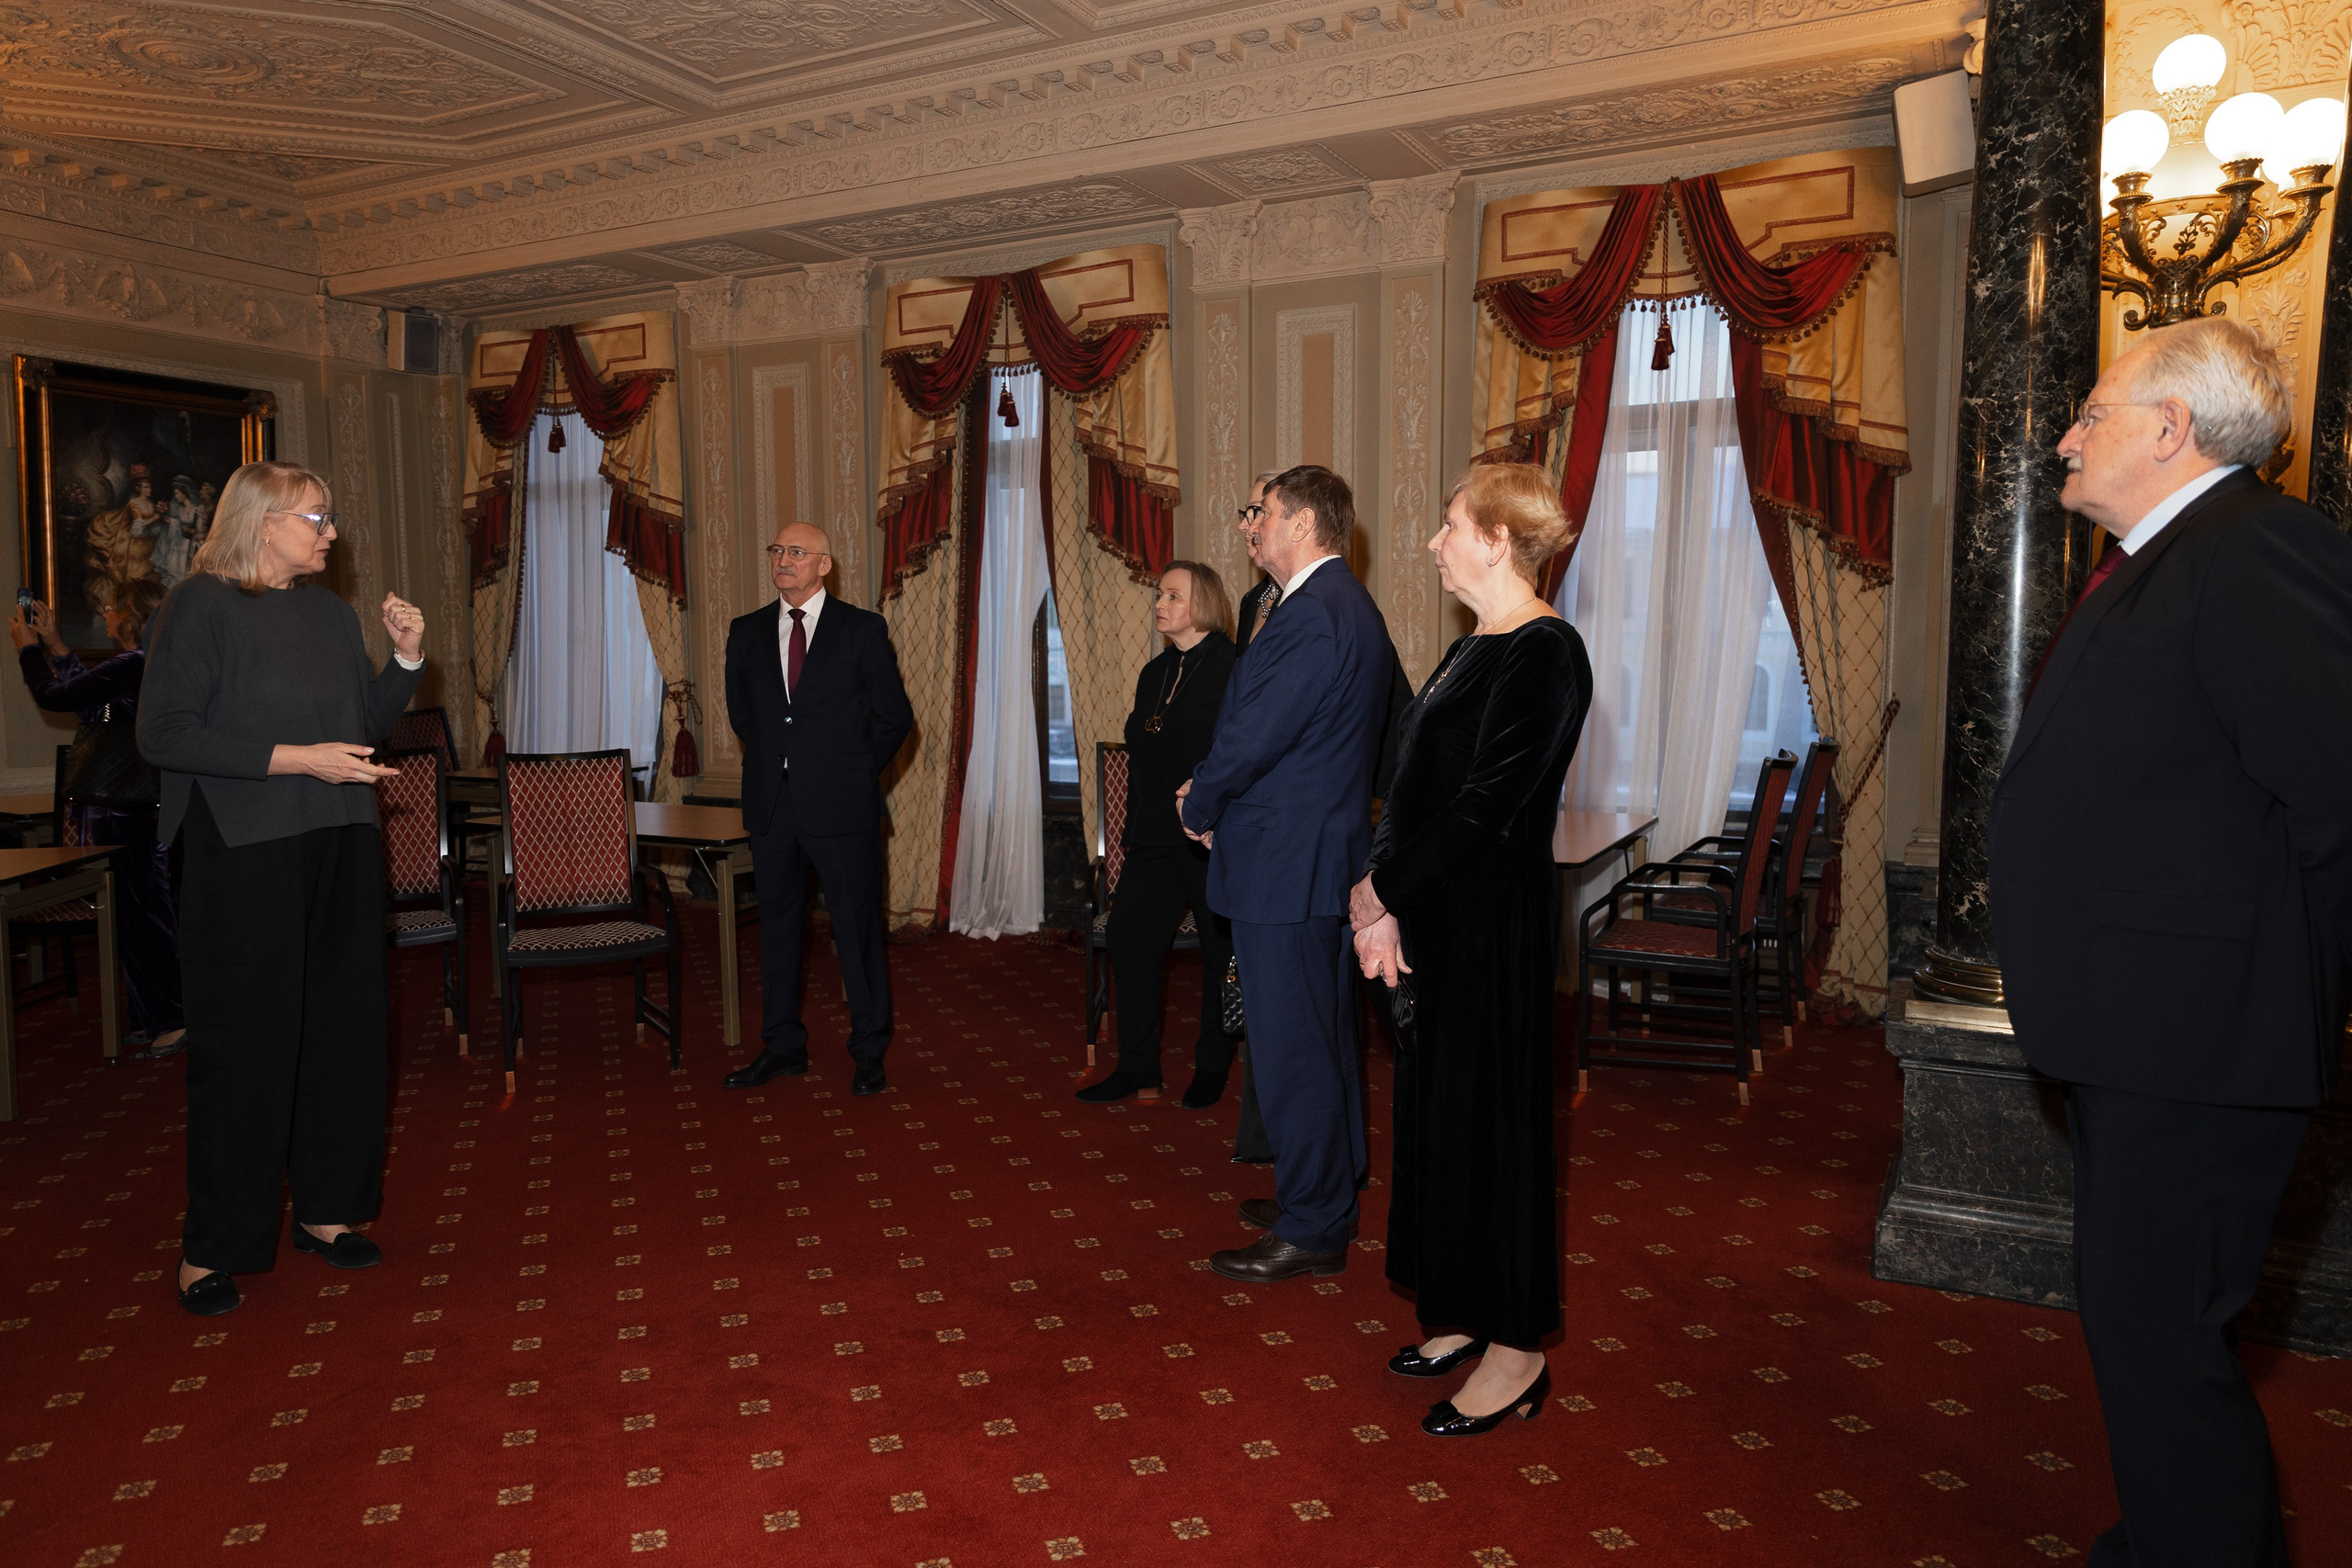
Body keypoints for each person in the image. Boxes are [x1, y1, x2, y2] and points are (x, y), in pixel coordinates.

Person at [1990, 317, 2352, 1568]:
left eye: (2092, 412)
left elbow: (2340, 801)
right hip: (2148, 1027)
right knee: (2144, 1331)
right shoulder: (2162, 557)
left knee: (2164, 1338)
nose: (2066, 433)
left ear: (2170, 427)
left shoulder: (2258, 554)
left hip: (2202, 1038)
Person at [138, 460, 428, 1317]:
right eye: (317, 517)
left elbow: (363, 728)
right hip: (243, 847)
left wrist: (406, 660)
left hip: (338, 837)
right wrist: (299, 758)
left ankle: (331, 1213)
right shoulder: (200, 606)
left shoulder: (333, 616)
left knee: (345, 1032)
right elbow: (164, 733)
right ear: (263, 522)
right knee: (247, 1044)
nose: (331, 532)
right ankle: (214, 1246)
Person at [1351, 465, 1590, 1437]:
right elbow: (1411, 785)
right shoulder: (1473, 646)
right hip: (1432, 921)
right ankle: (1460, 1309)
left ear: (1498, 539)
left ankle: (1517, 1349)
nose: (1434, 543)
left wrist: (1378, 895)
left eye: (1450, 526)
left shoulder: (1545, 653)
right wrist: (1386, 899)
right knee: (1438, 1123)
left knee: (1491, 1134)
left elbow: (1486, 814)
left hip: (1489, 932)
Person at [1180, 465, 1397, 1283]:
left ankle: (1313, 1223)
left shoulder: (1313, 614)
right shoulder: (1339, 606)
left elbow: (1256, 734)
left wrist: (1200, 801)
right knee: (1324, 1037)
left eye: (1259, 512)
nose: (1248, 525)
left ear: (1304, 523)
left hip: (1285, 860)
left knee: (1293, 1046)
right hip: (1309, 854)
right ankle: (1324, 1190)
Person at [721, 522, 914, 1098]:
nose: (784, 559)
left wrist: (851, 771)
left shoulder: (862, 630)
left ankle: (869, 1050)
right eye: (777, 550)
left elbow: (894, 718)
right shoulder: (747, 631)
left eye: (797, 552)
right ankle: (782, 1046)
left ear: (824, 565)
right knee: (778, 930)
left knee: (855, 932)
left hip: (843, 808)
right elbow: (743, 715)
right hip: (772, 807)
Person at [1078, 560, 1239, 1107]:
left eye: (1174, 595)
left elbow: (1238, 753)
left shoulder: (1232, 668)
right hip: (1154, 836)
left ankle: (1213, 1066)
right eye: (1159, 594)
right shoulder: (1155, 672)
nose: (1160, 603)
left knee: (1221, 956)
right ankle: (1137, 1067)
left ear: (1205, 604)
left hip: (1210, 838)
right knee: (1129, 938)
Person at [11, 578, 183, 1058]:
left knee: (144, 915)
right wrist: (58, 647)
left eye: (111, 607)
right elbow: (93, 705)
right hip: (129, 806)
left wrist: (28, 651)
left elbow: (55, 699)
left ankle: (171, 1018)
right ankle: (155, 1016)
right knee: (136, 915)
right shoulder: (144, 665)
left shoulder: (135, 663)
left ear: (129, 617)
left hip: (128, 809)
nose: (105, 614)